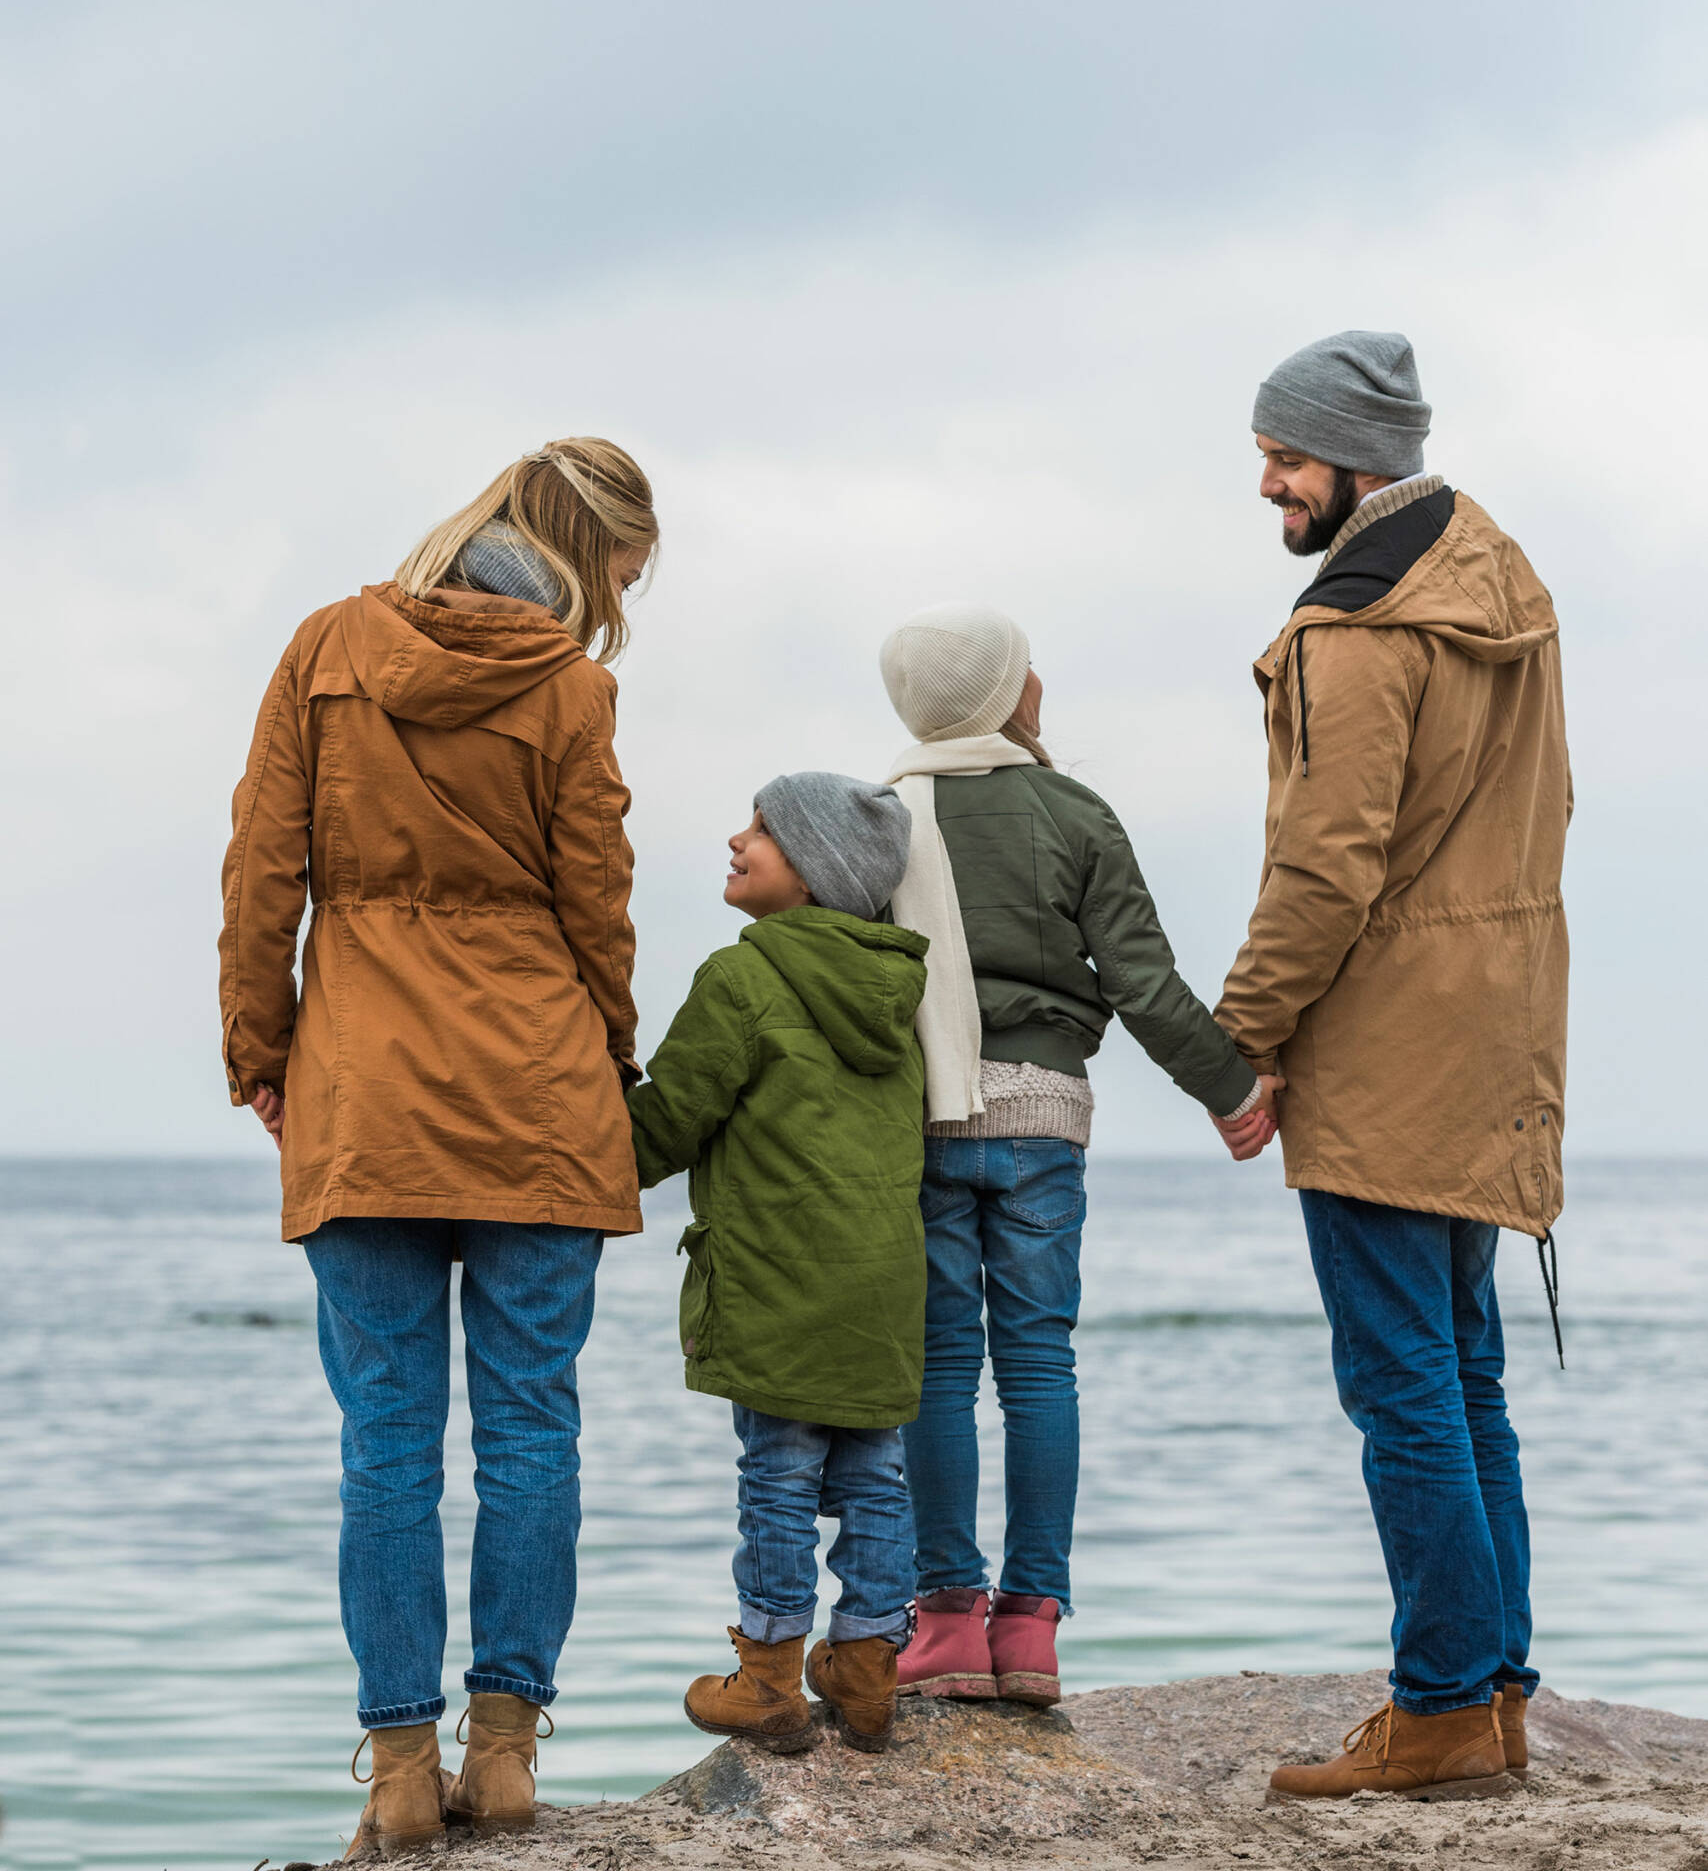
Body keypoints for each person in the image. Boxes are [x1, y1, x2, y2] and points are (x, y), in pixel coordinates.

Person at [218, 439, 658, 1857]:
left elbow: (257, 874)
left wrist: (262, 1055)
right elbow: (599, 901)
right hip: (535, 1089)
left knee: (387, 1442)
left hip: (362, 1087)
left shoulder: (326, 649)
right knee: (534, 1428)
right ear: (583, 562)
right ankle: (510, 1752)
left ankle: (402, 1773)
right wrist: (616, 1059)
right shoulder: (572, 689)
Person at [1217, 331, 1569, 1804]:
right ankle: (1488, 1700)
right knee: (1464, 1376)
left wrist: (1247, 1032)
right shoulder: (1505, 589)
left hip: (1378, 1034)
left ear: (1358, 459)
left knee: (1406, 1388)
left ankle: (1435, 1704)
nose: (1267, 485)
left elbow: (1324, 862)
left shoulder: (1360, 626)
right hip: (1492, 1021)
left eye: (1285, 457)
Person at [877, 604, 1282, 1708]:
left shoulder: (874, 819)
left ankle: (947, 1618)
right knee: (1038, 1365)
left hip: (919, 1119)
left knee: (941, 1371)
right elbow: (1144, 984)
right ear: (1005, 694)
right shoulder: (1072, 811)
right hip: (1043, 1121)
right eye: (1024, 670)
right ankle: (1033, 1630)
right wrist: (1234, 1090)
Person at [626, 773, 927, 1757]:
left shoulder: (744, 976)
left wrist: (588, 1136)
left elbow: (668, 1119)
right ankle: (869, 1666)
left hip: (774, 1274)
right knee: (877, 1475)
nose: (736, 836)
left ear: (813, 873)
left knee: (779, 1476)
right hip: (882, 1280)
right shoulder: (894, 988)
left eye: (763, 829)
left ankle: (765, 1673)